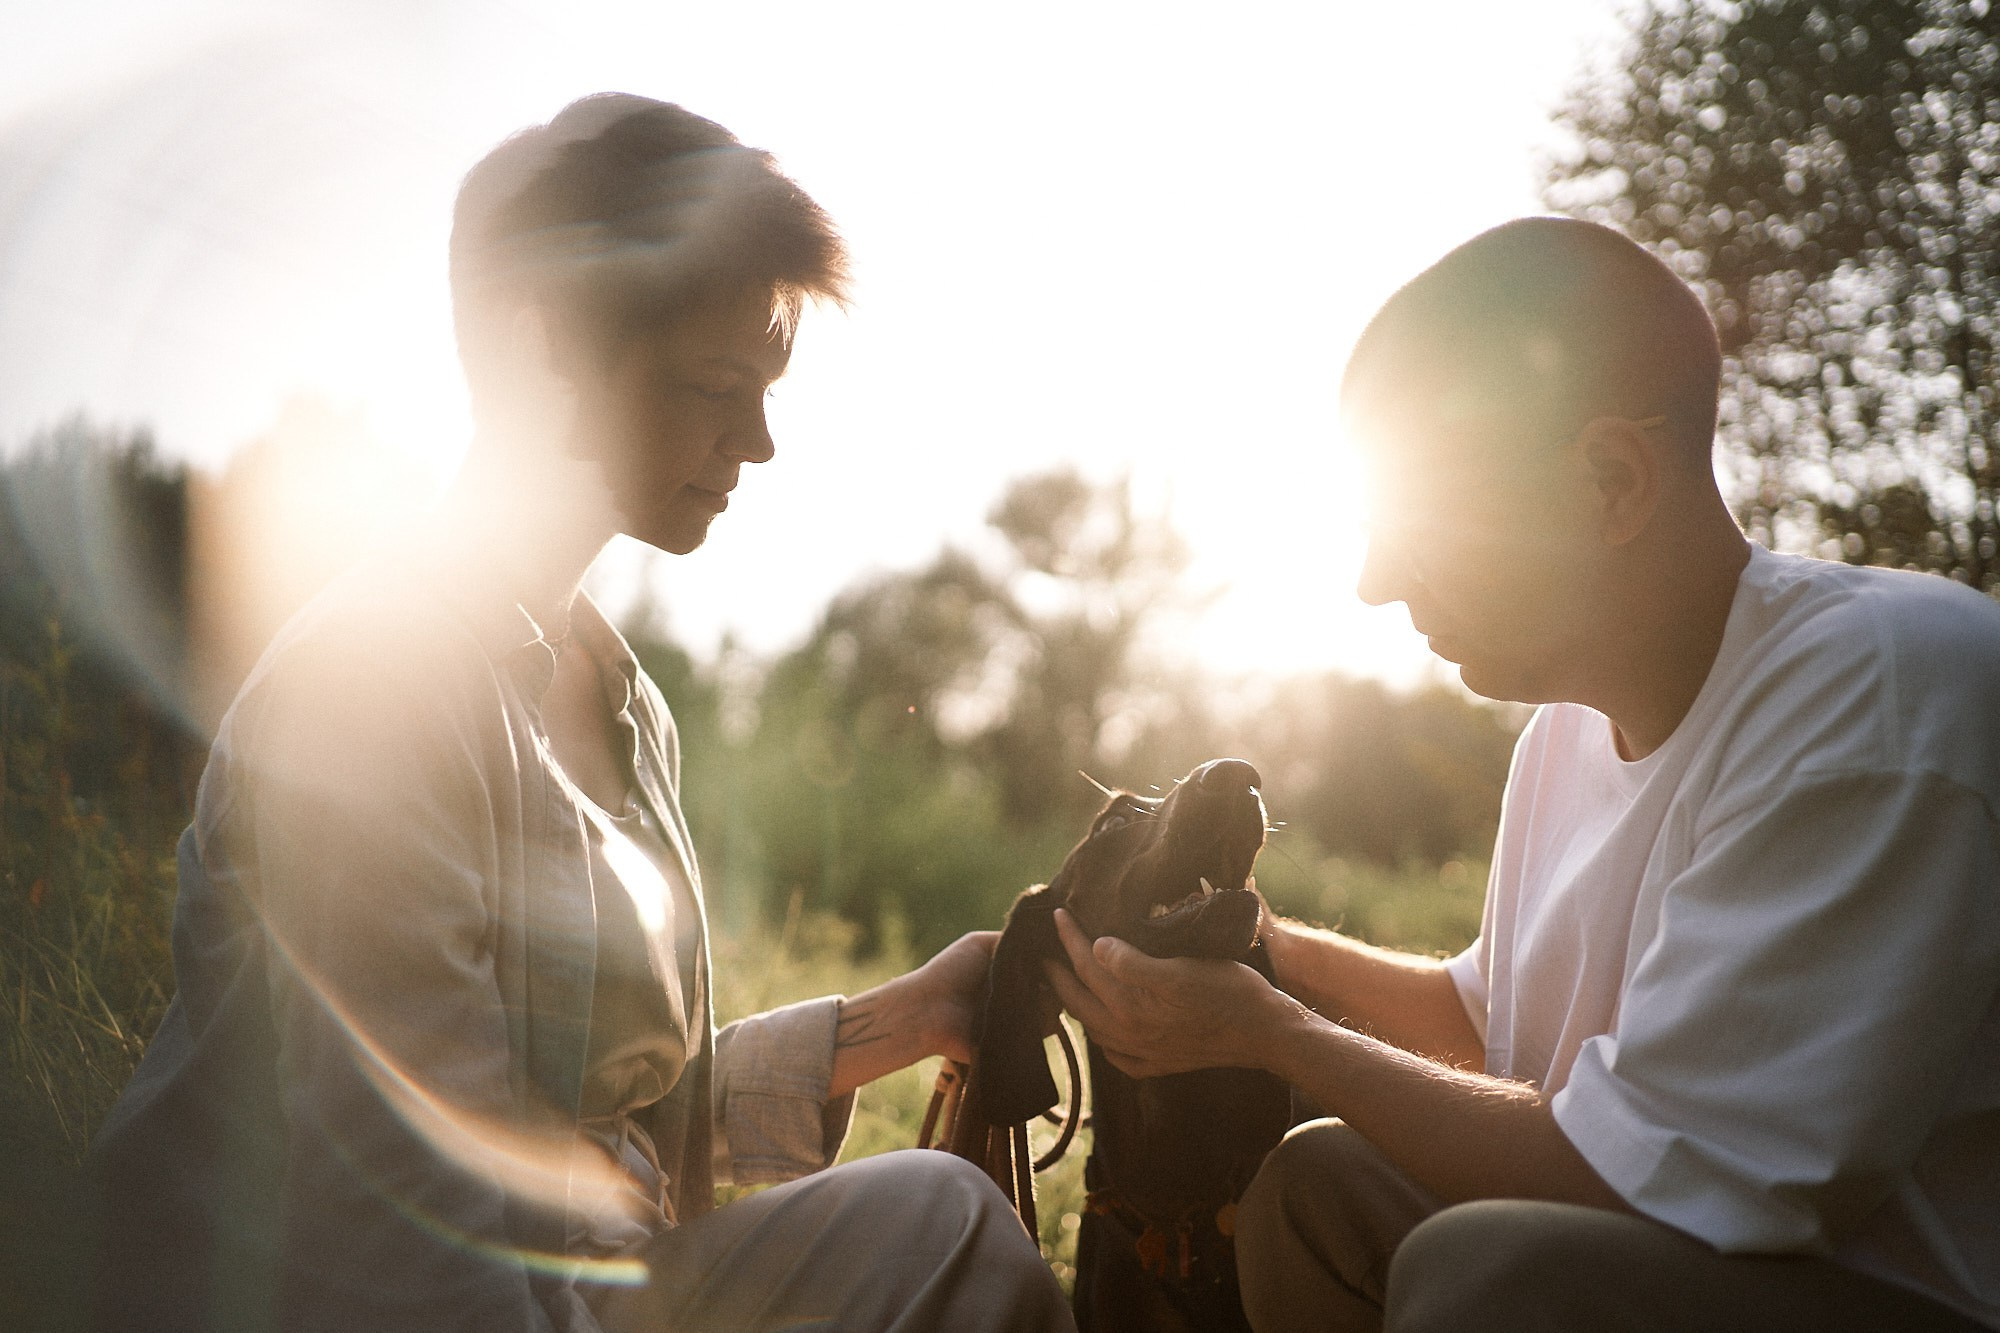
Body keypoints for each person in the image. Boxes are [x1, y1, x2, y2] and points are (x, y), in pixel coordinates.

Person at [86, 93, 1073, 1333]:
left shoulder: (619, 696)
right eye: (718, 383)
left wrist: (896, 1018)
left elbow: (567, 1114)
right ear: (535, 340)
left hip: (595, 1290)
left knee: (938, 1219)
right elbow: (405, 1229)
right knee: (943, 1227)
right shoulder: (375, 692)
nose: (759, 441)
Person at [1047, 216, 2000, 1332]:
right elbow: (1484, 1024)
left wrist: (1267, 1031)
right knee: (1315, 1194)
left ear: (1609, 481)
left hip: (1906, 1296)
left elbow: (1622, 1178)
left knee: (1486, 1271)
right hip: (1701, 1265)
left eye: (1415, 521)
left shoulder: (1872, 696)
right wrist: (1252, 947)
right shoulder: (1560, 731)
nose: (1366, 583)